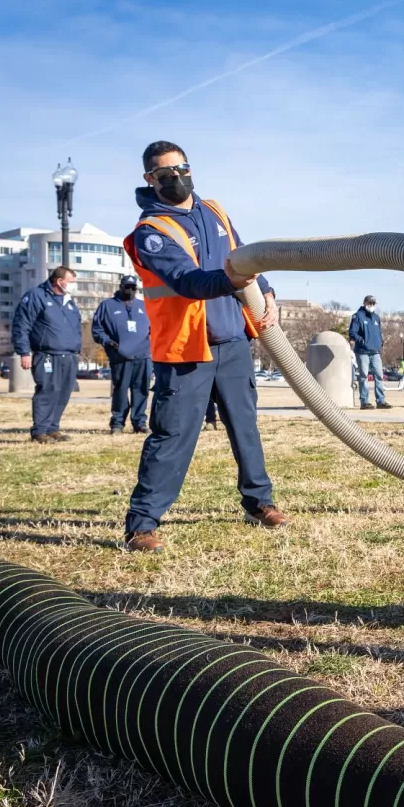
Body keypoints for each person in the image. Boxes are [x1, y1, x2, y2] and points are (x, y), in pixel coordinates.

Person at [120, 140, 289, 553]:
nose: (176, 178)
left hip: (232, 340)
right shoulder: (151, 233)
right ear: (150, 179)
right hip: (186, 351)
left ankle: (258, 502)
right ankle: (141, 524)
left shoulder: (213, 210)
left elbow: (243, 254)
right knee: (173, 435)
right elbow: (187, 281)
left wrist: (264, 290)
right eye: (165, 174)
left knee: (245, 427)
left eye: (181, 169)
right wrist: (232, 282)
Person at [11, 266, 82, 443]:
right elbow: (22, 324)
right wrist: (24, 352)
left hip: (69, 355)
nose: (74, 286)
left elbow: (76, 326)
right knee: (47, 390)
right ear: (59, 281)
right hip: (47, 354)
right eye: (71, 282)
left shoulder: (68, 300)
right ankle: (39, 431)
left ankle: (52, 428)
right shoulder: (36, 296)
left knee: (63, 393)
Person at [91, 274, 153, 434]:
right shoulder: (107, 306)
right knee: (120, 390)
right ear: (121, 287)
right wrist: (109, 342)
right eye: (128, 287)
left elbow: (156, 326)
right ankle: (117, 422)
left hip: (143, 355)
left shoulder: (144, 305)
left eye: (134, 288)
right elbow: (97, 330)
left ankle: (139, 422)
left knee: (141, 390)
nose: (131, 291)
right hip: (120, 356)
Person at [348, 295, 392, 410]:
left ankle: (381, 400)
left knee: (379, 376)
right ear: (364, 303)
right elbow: (352, 332)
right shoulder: (357, 316)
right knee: (363, 376)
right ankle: (364, 401)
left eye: (373, 303)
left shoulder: (376, 318)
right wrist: (362, 340)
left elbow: (379, 332)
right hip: (362, 351)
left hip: (375, 352)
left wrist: (380, 342)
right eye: (369, 303)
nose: (371, 305)